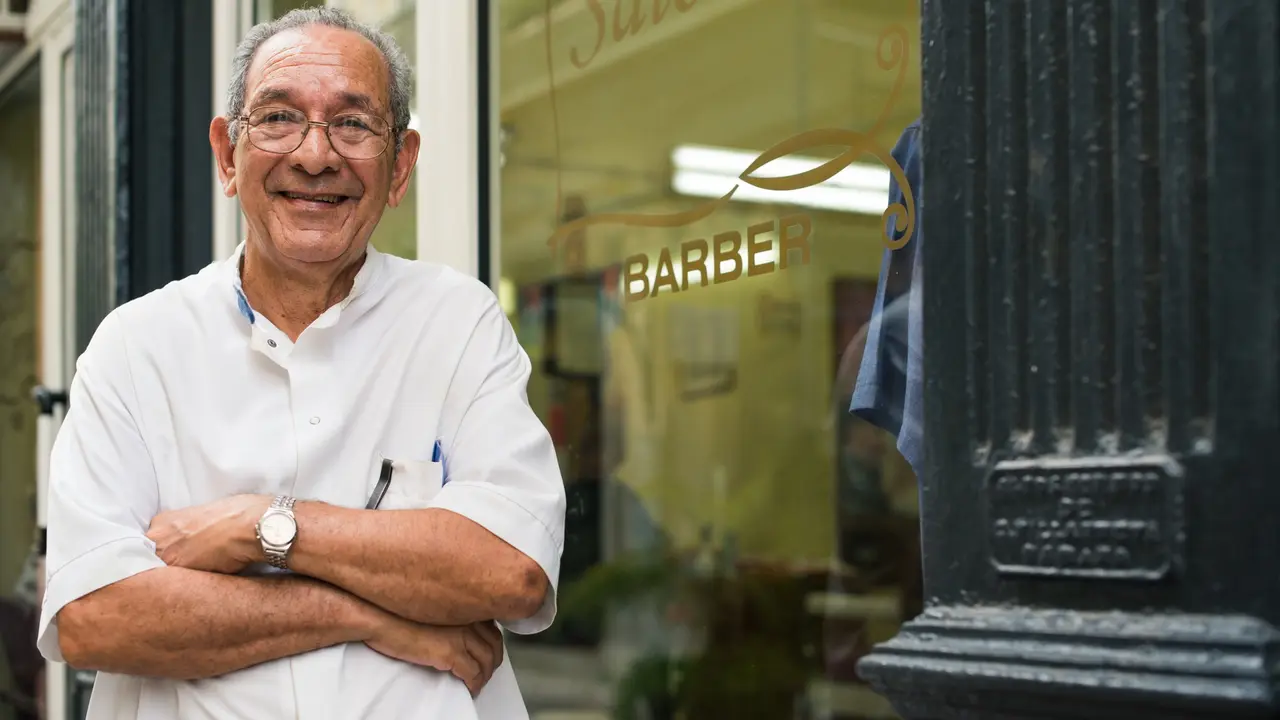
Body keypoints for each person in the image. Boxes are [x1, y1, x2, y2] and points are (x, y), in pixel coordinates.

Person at [37, 8, 566, 720]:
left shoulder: (457, 322)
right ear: (228, 154)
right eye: (280, 118)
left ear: (400, 164)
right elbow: (94, 616)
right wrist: (376, 614)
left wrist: (261, 525)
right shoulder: (135, 347)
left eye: (352, 124)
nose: (316, 156)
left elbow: (512, 569)